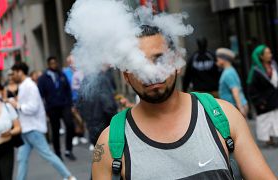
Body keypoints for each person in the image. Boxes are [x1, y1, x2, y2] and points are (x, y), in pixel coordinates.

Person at [92, 25, 275, 179]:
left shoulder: (223, 116)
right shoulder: (110, 143)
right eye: (138, 64)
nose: (151, 72)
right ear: (126, 75)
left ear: (176, 63)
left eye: (159, 59)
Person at [9, 62, 76, 180]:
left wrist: (17, 105)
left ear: (20, 72)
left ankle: (69, 176)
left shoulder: (30, 86)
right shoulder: (25, 85)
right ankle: (68, 176)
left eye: (13, 73)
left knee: (47, 154)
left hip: (33, 128)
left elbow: (33, 107)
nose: (12, 76)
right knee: (22, 158)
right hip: (27, 128)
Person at [38, 57, 77, 160]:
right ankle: (58, 153)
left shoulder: (61, 75)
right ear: (48, 64)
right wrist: (44, 109)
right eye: (51, 63)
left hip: (64, 105)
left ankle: (69, 150)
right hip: (52, 108)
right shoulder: (43, 78)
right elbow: (40, 95)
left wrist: (71, 104)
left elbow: (68, 90)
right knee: (55, 130)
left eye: (55, 63)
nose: (54, 65)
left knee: (70, 125)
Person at [247, 45, 278, 146]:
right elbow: (252, 90)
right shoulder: (255, 71)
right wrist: (260, 102)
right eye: (268, 53)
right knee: (265, 121)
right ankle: (268, 139)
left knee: (275, 119)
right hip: (264, 103)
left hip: (274, 100)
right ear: (261, 56)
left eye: (270, 52)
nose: (270, 55)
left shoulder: (273, 66)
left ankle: (273, 137)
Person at [63, 55, 88, 146]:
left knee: (82, 118)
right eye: (71, 62)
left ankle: (81, 135)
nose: (73, 64)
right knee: (73, 118)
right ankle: (75, 136)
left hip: (82, 98)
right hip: (71, 99)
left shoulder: (80, 71)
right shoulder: (65, 72)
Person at [216, 48, 248, 118]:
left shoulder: (228, 73)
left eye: (218, 57)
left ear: (224, 59)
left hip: (236, 108)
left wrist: (241, 109)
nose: (217, 60)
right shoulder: (230, 70)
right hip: (235, 107)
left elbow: (235, 91)